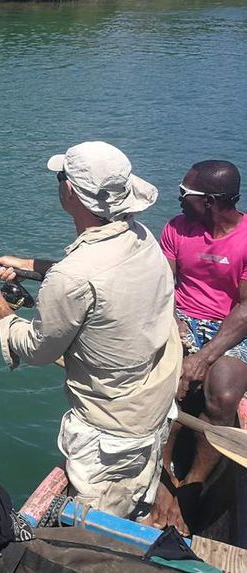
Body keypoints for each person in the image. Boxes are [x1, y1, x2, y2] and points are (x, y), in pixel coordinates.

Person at [0, 141, 182, 520]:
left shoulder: (72, 276)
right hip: (152, 409)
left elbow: (38, 350)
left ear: (70, 191)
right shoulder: (142, 238)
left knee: (93, 531)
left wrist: (3, 315)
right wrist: (31, 265)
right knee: (135, 502)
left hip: (110, 434)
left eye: (61, 178)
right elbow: (99, 279)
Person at [148, 160, 247, 534]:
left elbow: (245, 309)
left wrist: (204, 357)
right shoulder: (176, 228)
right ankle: (163, 476)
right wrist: (179, 340)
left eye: (185, 193)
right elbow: (165, 288)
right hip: (184, 320)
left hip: (232, 327)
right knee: (168, 380)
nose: (178, 197)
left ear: (211, 201)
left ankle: (192, 484)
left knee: (221, 396)